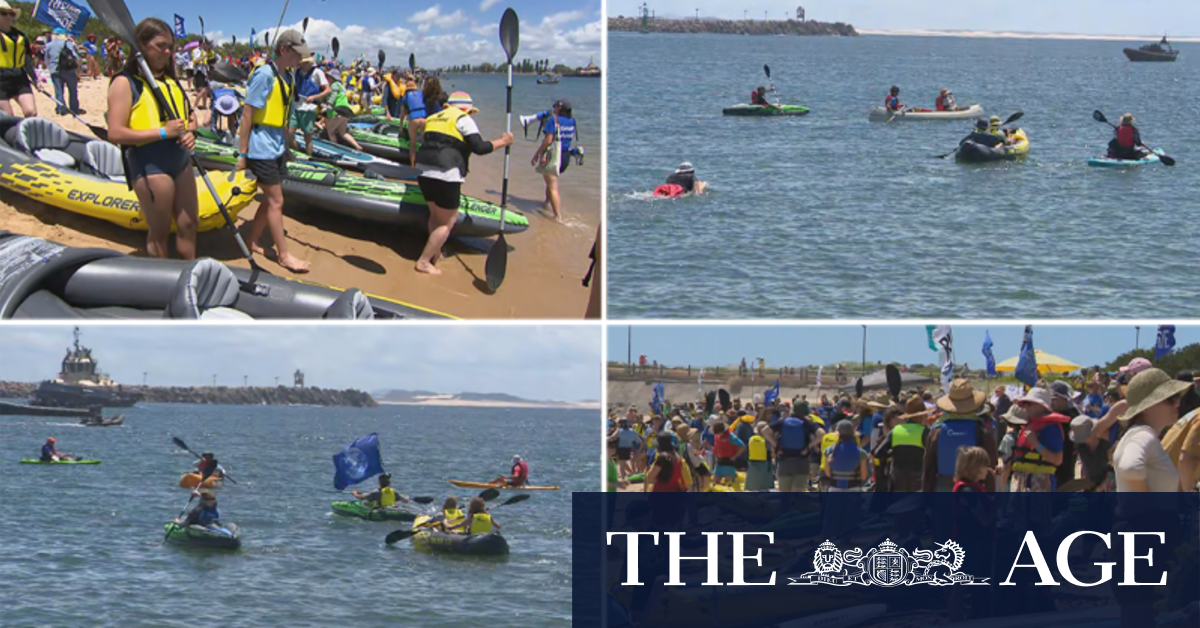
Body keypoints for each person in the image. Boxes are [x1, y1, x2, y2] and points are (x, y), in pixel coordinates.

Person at [106, 18, 199, 260]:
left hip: (180, 161)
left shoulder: (172, 82)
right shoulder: (124, 83)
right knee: (159, 233)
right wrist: (162, 132)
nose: (168, 53)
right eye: (161, 46)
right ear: (142, 45)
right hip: (149, 163)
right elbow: (114, 133)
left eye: (171, 47)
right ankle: (162, 286)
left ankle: (188, 276)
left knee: (189, 225)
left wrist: (191, 132)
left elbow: (189, 118)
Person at [412, 90, 512, 275]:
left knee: (435, 216)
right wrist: (503, 141)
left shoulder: (433, 117)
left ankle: (435, 253)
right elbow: (479, 147)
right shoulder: (463, 119)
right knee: (447, 222)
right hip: (445, 173)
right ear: (468, 110)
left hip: (423, 170)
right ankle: (424, 261)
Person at [238, 29, 310, 274]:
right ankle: (284, 255)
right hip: (260, 148)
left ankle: (252, 240)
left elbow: (282, 116)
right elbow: (247, 115)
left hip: (277, 145)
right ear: (283, 50)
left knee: (270, 201)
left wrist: (287, 148)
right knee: (277, 200)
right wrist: (242, 153)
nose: (300, 59)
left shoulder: (287, 77)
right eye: (297, 54)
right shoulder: (264, 75)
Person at [922, 379, 998, 492]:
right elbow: (990, 466)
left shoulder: (936, 430)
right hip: (973, 489)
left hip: (943, 487)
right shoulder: (981, 431)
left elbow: (929, 467)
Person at [1010, 387, 1069, 492]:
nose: (1026, 407)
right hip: (1022, 481)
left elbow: (1057, 460)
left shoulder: (1051, 428)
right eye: (1025, 403)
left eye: (1030, 404)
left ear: (1042, 406)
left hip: (1040, 483)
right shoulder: (1030, 425)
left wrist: (1036, 443)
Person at [532, 98, 576, 222]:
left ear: (560, 108)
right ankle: (546, 203)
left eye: (555, 106)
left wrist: (537, 155)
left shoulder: (553, 120)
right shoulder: (572, 121)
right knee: (551, 182)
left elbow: (548, 141)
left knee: (553, 187)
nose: (553, 107)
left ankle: (558, 217)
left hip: (553, 156)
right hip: (565, 156)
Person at [873, 396, 928, 492]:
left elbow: (878, 453)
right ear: (921, 416)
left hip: (898, 481)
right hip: (918, 482)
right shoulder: (925, 432)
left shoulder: (896, 431)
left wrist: (893, 453)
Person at [287, 56, 329, 156]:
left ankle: (309, 156)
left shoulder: (317, 72)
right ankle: (296, 152)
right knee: (289, 133)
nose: (303, 65)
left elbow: (328, 90)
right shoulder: (296, 71)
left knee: (307, 136)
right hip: (295, 107)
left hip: (309, 109)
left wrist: (315, 97)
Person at [0, 2, 36, 118]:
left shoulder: (21, 36)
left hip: (19, 77)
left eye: (11, 14)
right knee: (7, 117)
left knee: (31, 112)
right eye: (4, 13)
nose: (9, 16)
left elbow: (27, 59)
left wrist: (35, 78)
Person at [401, 77, 441, 168]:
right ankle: (425, 164)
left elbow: (402, 114)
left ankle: (412, 165)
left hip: (413, 118)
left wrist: (400, 127)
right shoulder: (422, 94)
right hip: (423, 118)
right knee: (424, 142)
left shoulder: (406, 97)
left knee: (413, 144)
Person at [321, 69, 362, 150]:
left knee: (330, 131)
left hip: (338, 110)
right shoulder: (341, 86)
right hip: (345, 110)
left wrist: (327, 105)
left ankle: (334, 149)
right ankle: (358, 146)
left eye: (328, 77)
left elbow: (333, 96)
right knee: (342, 133)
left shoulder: (334, 85)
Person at [43, 27, 80, 116]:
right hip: (68, 70)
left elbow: (46, 59)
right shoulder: (67, 44)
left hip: (54, 69)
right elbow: (76, 57)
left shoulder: (49, 45)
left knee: (59, 91)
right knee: (72, 90)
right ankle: (74, 108)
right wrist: (78, 69)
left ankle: (61, 109)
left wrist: (50, 67)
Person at [823, 419, 868, 492]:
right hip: (853, 489)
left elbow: (828, 474)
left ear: (838, 433)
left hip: (834, 489)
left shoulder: (829, 451)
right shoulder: (861, 453)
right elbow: (863, 477)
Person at [710, 421, 746, 487]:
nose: (717, 434)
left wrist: (735, 456)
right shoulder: (717, 436)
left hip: (729, 462)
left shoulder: (731, 436)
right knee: (715, 484)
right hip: (719, 462)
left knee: (728, 484)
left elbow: (743, 446)